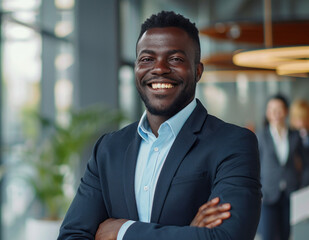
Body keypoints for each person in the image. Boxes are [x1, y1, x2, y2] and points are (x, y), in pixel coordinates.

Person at [58, 11, 261, 240]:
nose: (160, 68)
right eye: (147, 59)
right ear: (136, 68)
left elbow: (228, 237)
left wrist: (122, 231)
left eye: (175, 59)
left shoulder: (232, 143)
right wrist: (189, 233)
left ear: (197, 71)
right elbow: (71, 236)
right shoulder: (108, 149)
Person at [257, 94, 306, 240]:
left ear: (286, 111)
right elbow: (255, 165)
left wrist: (302, 184)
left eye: (279, 109)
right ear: (267, 113)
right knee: (268, 235)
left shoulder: (295, 136)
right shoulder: (261, 136)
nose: (275, 114)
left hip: (291, 193)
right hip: (268, 194)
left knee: (286, 235)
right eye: (271, 109)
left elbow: (306, 163)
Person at [290, 99, 309, 186]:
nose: (301, 121)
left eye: (304, 117)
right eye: (298, 118)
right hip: (296, 181)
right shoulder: (290, 136)